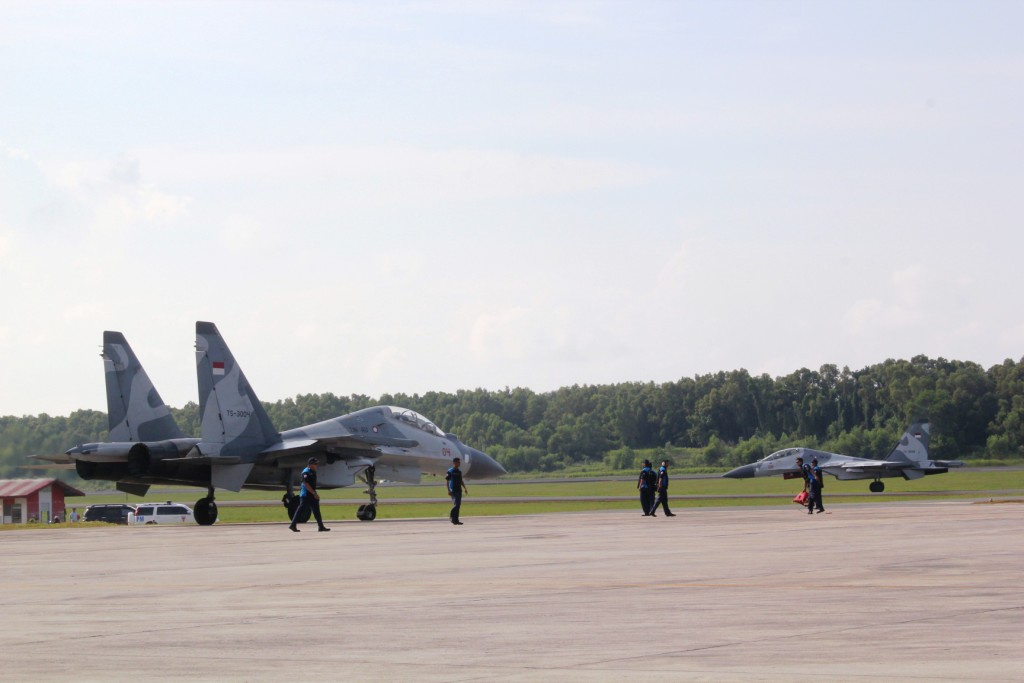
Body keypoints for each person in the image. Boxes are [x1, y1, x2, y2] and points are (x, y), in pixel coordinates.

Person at [289, 457, 330, 532]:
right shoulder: (306, 472)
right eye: (315, 464)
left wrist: (315, 493)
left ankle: (321, 526)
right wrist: (314, 493)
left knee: (316, 511)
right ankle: (293, 525)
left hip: (312, 494)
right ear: (310, 464)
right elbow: (306, 485)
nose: (316, 465)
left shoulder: (313, 471)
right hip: (306, 495)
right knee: (300, 510)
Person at [446, 457, 469, 525]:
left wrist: (465, 488)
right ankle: (452, 516)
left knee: (458, 505)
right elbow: (447, 481)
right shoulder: (450, 471)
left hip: (459, 490)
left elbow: (461, 480)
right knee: (456, 504)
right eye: (458, 462)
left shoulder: (459, 472)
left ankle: (456, 520)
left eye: (459, 462)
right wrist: (448, 490)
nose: (459, 463)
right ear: (454, 463)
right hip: (453, 490)